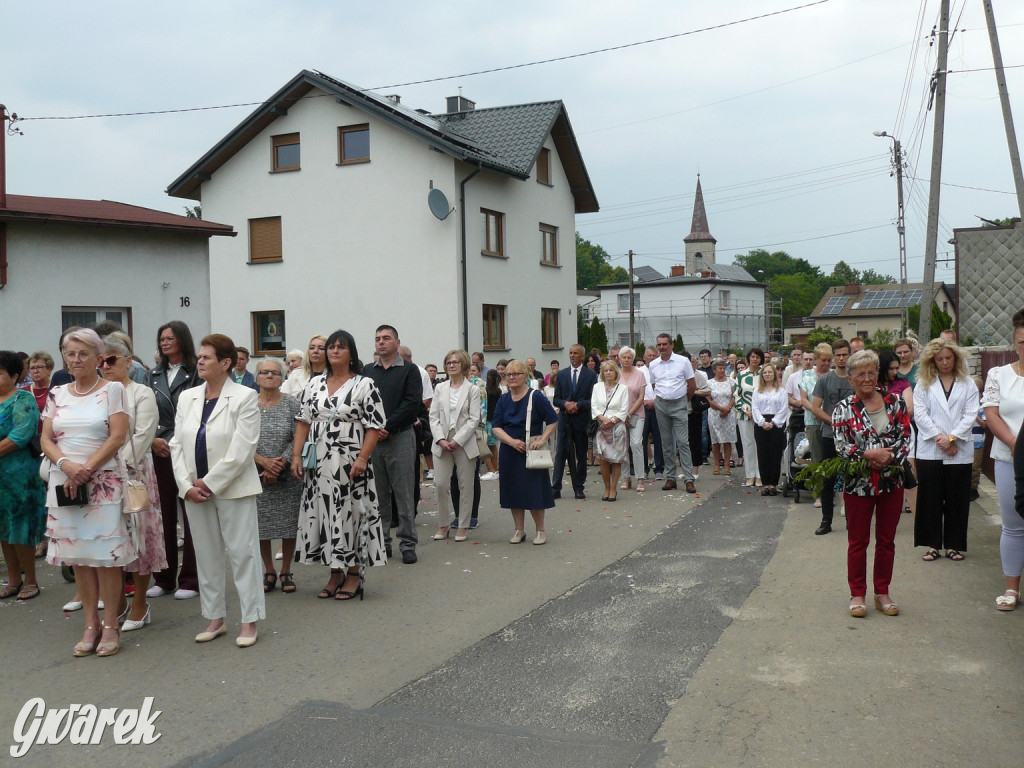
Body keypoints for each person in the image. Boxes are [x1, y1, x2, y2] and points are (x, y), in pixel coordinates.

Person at [41, 329, 132, 657]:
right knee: (79, 557)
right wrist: (66, 465)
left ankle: (110, 624)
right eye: (70, 353)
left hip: (102, 482)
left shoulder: (113, 390)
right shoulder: (57, 393)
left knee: (106, 558)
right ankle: (90, 624)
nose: (75, 359)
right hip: (65, 482)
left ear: (98, 357)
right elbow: (46, 439)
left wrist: (86, 469)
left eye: (82, 353)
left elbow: (117, 437)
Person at [170, 334, 264, 647]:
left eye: (207, 357)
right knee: (207, 555)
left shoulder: (244, 396)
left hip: (232, 487)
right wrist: (186, 485)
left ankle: (249, 620)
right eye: (199, 356)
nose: (200, 361)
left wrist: (209, 482)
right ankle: (214, 617)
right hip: (193, 491)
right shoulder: (188, 397)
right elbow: (176, 444)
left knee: (242, 554)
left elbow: (243, 448)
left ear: (225, 363)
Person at [292, 329, 386, 600]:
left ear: (350, 353)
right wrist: (296, 457)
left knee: (350, 514)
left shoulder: (364, 384)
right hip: (318, 463)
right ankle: (335, 571)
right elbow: (303, 421)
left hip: (350, 461)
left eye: (340, 347)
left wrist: (362, 458)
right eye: (330, 347)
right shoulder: (313, 384)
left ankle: (354, 572)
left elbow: (374, 426)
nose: (333, 351)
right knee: (324, 513)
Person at [831, 350, 911, 618]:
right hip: (858, 485)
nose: (867, 378)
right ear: (851, 378)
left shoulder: (896, 402)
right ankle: (857, 593)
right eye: (861, 374)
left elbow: (905, 437)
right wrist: (868, 455)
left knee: (886, 540)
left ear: (878, 374)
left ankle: (882, 592)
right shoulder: (843, 409)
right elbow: (842, 446)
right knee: (858, 541)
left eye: (871, 372)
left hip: (891, 482)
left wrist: (886, 458)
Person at [100, 333, 167, 631]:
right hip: (99, 476)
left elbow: (143, 433)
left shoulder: (141, 392)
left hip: (133, 473)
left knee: (140, 538)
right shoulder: (97, 392)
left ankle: (140, 602)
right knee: (110, 540)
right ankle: (117, 601)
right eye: (101, 360)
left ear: (128, 361)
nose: (105, 365)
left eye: (111, 359)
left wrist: (117, 463)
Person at [147, 321, 201, 600]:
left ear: (182, 339)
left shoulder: (196, 373)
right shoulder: (153, 374)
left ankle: (191, 579)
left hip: (187, 449)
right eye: (162, 339)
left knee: (192, 515)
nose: (165, 342)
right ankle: (164, 577)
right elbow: (145, 412)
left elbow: (200, 412)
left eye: (170, 338)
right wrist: (154, 440)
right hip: (159, 450)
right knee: (163, 514)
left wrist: (175, 439)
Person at [912, 339, 977, 561]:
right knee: (930, 498)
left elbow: (970, 414)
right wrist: (941, 439)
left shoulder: (967, 383)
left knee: (956, 499)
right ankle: (932, 545)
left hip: (959, 448)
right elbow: (920, 414)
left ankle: (953, 545)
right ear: (932, 360)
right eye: (940, 359)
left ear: (956, 358)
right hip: (931, 449)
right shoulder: (923, 383)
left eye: (948, 358)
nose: (945, 362)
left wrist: (953, 438)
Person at [363, 325, 422, 564]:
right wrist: (375, 429)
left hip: (400, 437)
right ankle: (382, 542)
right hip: (373, 441)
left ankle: (408, 543)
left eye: (386, 338)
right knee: (378, 494)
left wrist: (385, 425)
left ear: (397, 342)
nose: (381, 342)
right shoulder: (367, 371)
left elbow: (412, 403)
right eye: (377, 339)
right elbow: (362, 402)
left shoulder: (410, 370)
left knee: (404, 492)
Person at [982, 309, 1024, 611]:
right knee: (1012, 524)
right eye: (1022, 341)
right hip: (1009, 458)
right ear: (1014, 342)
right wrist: (1015, 444)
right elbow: (991, 413)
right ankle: (1011, 588)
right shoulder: (1000, 375)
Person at [491, 360, 558, 545]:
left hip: (531, 449)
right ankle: (519, 530)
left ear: (526, 376)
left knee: (534, 490)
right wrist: (511, 442)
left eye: (516, 374)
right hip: (509, 449)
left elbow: (552, 419)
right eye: (508, 374)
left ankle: (540, 530)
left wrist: (543, 439)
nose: (511, 377)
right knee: (513, 491)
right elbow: (496, 427)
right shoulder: (503, 399)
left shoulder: (535, 397)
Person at [0, 350, 47, 601]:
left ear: (15, 375)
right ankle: (13, 579)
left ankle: (30, 580)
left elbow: (20, 435)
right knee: (3, 529)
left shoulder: (23, 399)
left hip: (21, 476)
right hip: (0, 479)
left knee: (21, 527)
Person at [253, 356, 302, 593]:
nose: (269, 375)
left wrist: (279, 462)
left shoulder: (292, 403)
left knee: (288, 524)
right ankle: (269, 570)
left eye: (275, 372)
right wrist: (262, 462)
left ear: (283, 378)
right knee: (261, 526)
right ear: (257, 377)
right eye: (264, 372)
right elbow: (239, 437)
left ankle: (286, 570)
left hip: (287, 472)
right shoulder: (248, 403)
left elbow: (298, 435)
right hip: (255, 473)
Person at [429, 349, 481, 541]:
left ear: (464, 365)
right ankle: (443, 524)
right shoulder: (439, 388)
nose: (451, 365)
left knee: (465, 485)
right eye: (448, 362)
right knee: (441, 484)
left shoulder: (472, 390)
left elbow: (474, 419)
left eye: (455, 362)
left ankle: (463, 525)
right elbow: (433, 417)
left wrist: (457, 440)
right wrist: (441, 439)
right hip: (441, 442)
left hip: (464, 443)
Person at [809, 339, 854, 535]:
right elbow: (815, 408)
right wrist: (835, 423)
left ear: (850, 355)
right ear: (833, 357)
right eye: (839, 355)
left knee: (853, 479)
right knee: (828, 479)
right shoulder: (824, 380)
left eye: (845, 354)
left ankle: (853, 521)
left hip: (854, 437)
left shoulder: (855, 378)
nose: (842, 358)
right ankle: (826, 520)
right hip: (829, 436)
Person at [648, 334, 697, 493]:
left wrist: (684, 400)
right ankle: (671, 478)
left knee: (683, 442)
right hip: (661, 404)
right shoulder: (654, 364)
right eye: (659, 345)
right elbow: (655, 385)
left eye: (665, 344)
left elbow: (691, 385)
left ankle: (689, 479)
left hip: (679, 403)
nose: (662, 347)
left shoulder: (683, 362)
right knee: (666, 443)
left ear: (671, 345)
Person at [551, 344, 597, 500]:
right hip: (565, 420)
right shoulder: (562, 374)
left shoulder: (590, 375)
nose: (572, 356)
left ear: (582, 356)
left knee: (581, 454)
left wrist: (578, 405)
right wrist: (566, 404)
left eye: (575, 353)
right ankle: (555, 487)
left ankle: (579, 487)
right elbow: (556, 399)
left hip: (581, 420)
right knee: (560, 453)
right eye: (570, 353)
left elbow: (593, 399)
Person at [800, 344, 833, 509]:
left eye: (829, 360)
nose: (826, 363)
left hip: (830, 420)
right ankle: (818, 493)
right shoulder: (806, 375)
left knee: (831, 457)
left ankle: (832, 490)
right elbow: (804, 398)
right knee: (817, 458)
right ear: (816, 359)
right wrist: (815, 410)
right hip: (813, 421)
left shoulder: (834, 376)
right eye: (823, 360)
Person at [592, 360, 629, 501]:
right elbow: (594, 405)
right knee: (603, 459)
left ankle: (614, 488)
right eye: (605, 370)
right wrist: (602, 418)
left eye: (611, 370)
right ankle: (606, 487)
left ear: (616, 372)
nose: (608, 373)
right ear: (602, 373)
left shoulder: (623, 389)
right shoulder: (597, 387)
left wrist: (611, 421)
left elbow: (624, 409)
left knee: (617, 459)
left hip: (617, 427)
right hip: (601, 427)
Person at [752, 362, 789, 496]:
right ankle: (765, 484)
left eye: (770, 372)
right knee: (763, 454)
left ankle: (773, 484)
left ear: (774, 374)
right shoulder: (757, 391)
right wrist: (762, 422)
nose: (767, 374)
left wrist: (773, 422)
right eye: (765, 372)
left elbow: (783, 408)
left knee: (775, 454)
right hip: (761, 423)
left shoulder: (781, 391)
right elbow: (754, 408)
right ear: (762, 375)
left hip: (776, 424)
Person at [617, 346, 648, 492]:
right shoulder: (616, 374)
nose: (627, 360)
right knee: (623, 446)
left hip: (637, 414)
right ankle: (626, 477)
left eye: (629, 357)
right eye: (624, 357)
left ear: (633, 359)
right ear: (620, 359)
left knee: (636, 444)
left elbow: (641, 397)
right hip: (619, 416)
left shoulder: (640, 374)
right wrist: (622, 415)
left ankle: (640, 478)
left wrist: (629, 413)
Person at [735, 348, 763, 488]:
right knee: (748, 445)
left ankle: (760, 475)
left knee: (760, 445)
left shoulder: (764, 374)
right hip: (744, 415)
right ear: (748, 358)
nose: (755, 359)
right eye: (752, 357)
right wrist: (747, 410)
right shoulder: (741, 375)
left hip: (762, 416)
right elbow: (737, 395)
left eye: (757, 357)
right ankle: (750, 475)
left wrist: (758, 412)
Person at [707, 359, 736, 475]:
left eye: (723, 368)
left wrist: (727, 408)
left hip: (729, 413)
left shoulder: (731, 382)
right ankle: (717, 464)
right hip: (715, 413)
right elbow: (709, 399)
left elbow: (734, 396)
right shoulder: (709, 383)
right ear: (714, 370)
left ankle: (727, 465)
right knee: (715, 441)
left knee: (727, 440)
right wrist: (720, 408)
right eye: (719, 368)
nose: (722, 370)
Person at [641, 346, 664, 480]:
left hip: (658, 407)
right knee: (642, 439)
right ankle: (644, 468)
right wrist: (644, 401)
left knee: (659, 438)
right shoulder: (639, 371)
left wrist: (655, 402)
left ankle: (659, 468)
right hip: (642, 407)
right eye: (649, 355)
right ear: (644, 357)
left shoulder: (662, 370)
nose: (652, 358)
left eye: (654, 355)